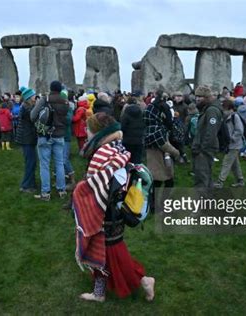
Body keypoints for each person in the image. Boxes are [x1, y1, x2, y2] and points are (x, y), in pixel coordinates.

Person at [73, 112, 155, 302]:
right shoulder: (113, 147)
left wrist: (80, 190)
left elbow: (96, 184)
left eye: (89, 128)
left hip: (107, 212)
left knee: (114, 254)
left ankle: (144, 281)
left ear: (98, 132)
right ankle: (99, 292)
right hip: (113, 209)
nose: (86, 131)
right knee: (102, 252)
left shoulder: (103, 153)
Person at [32, 80, 69, 201]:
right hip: (60, 135)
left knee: (44, 165)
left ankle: (46, 193)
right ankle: (61, 190)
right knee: (59, 163)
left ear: (51, 88)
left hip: (45, 134)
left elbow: (33, 115)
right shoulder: (65, 102)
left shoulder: (45, 99)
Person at [144, 90, 180, 211]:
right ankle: (160, 205)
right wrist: (176, 152)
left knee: (156, 184)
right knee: (166, 181)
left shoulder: (149, 125)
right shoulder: (155, 128)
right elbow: (163, 144)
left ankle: (154, 206)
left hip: (154, 158)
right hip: (159, 159)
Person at [191, 85, 223, 188]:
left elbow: (211, 132)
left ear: (207, 97)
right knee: (206, 178)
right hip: (203, 149)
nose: (197, 99)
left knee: (202, 179)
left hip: (204, 150)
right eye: (196, 96)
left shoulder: (211, 110)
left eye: (200, 97)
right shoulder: (207, 109)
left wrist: (202, 149)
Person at [214, 100, 245, 188]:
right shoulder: (224, 117)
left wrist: (231, 139)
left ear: (231, 109)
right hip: (229, 144)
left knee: (226, 162)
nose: (224, 111)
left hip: (234, 144)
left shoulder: (235, 117)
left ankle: (220, 181)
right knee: (235, 164)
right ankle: (240, 181)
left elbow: (239, 130)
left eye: (225, 109)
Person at [15, 87, 38, 194]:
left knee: (32, 162)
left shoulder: (27, 106)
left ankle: (31, 183)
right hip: (27, 138)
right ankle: (25, 186)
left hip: (28, 138)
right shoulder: (26, 108)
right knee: (30, 162)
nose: (35, 96)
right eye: (33, 95)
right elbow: (33, 118)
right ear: (29, 97)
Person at [120, 97, 145, 164]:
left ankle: (129, 172)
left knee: (127, 159)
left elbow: (122, 128)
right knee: (137, 159)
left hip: (127, 141)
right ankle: (137, 172)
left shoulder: (126, 116)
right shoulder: (141, 116)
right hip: (139, 140)